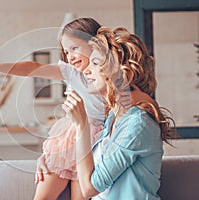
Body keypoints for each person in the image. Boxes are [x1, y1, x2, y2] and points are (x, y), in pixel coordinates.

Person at [0, 18, 153, 200]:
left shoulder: (111, 84)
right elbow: (34, 68)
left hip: (93, 142)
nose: (70, 56)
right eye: (66, 51)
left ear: (97, 45)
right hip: (69, 138)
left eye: (75, 48)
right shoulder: (71, 73)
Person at [62, 26, 175, 199]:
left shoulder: (137, 124)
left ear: (120, 74)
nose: (86, 70)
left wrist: (81, 125)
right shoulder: (113, 118)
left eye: (96, 63)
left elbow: (89, 189)